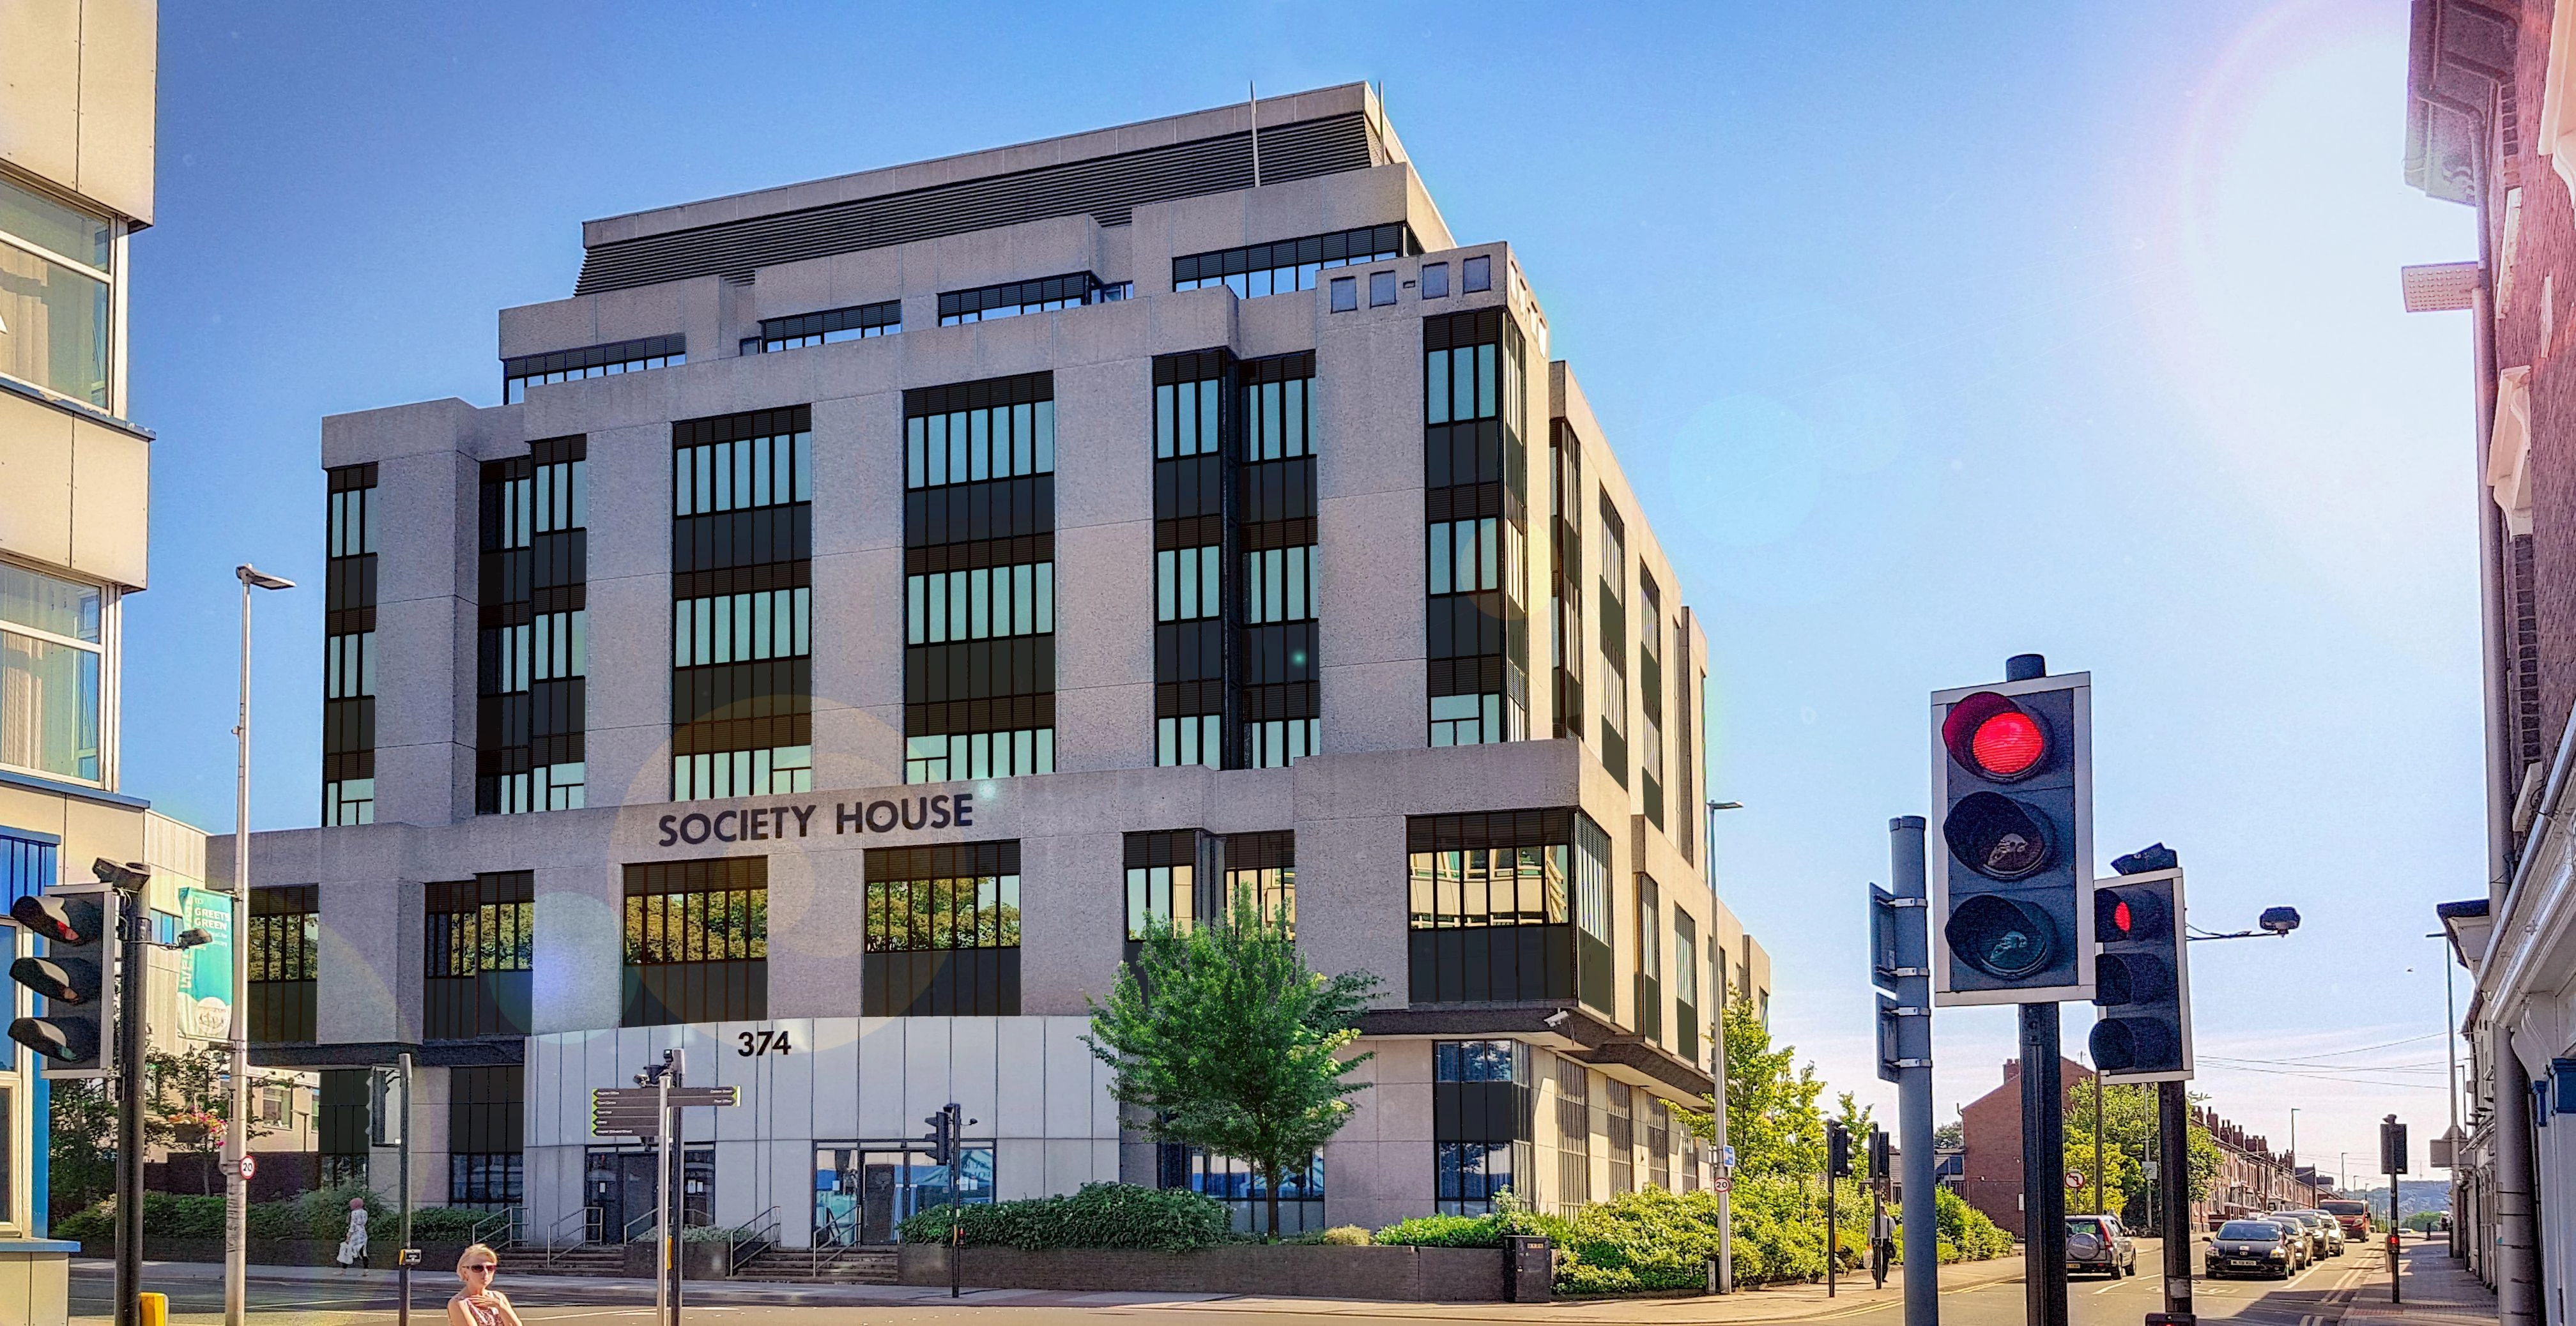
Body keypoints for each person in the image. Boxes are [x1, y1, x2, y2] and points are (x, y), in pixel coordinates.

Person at [448, 1244, 526, 1326]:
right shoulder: (458, 1303)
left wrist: (501, 1306)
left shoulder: (498, 1297)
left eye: (490, 1268)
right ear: (465, 1272)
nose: (485, 1273)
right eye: (478, 1268)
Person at [335, 1197, 369, 1272]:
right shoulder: (365, 1212)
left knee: (348, 1251)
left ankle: (343, 1270)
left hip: (355, 1234)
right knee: (363, 1252)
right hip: (363, 1233)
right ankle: (366, 1270)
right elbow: (365, 1222)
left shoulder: (354, 1213)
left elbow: (353, 1225)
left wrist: (349, 1236)